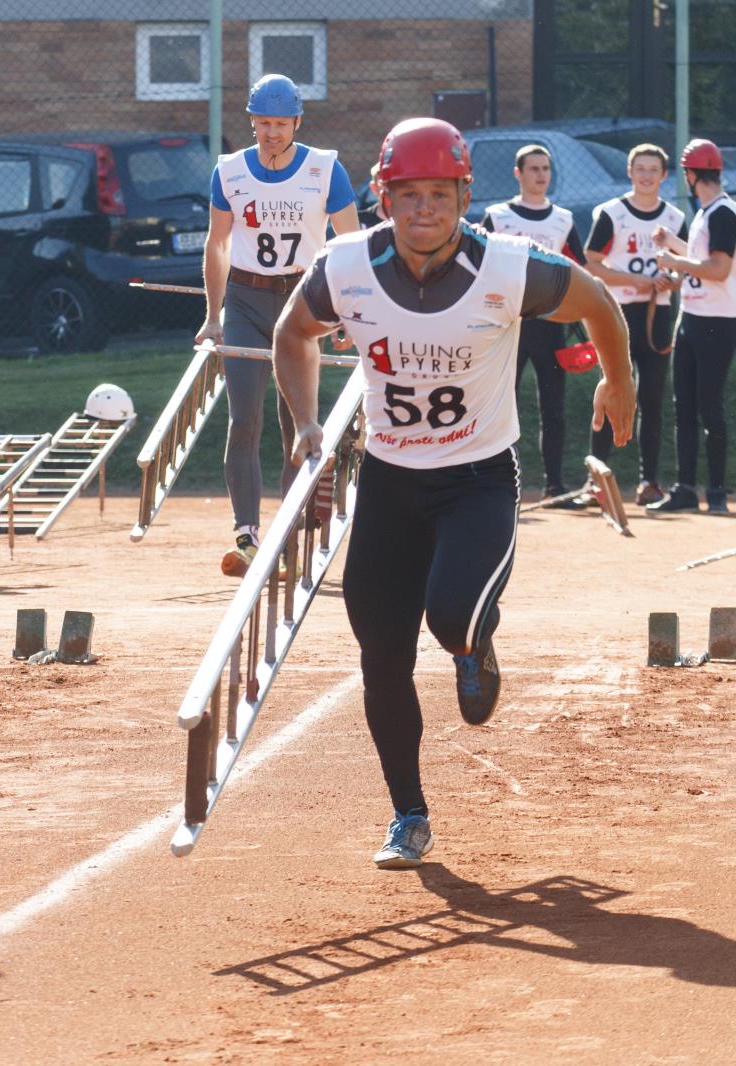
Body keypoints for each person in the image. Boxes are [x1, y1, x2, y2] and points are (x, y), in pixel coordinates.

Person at [273, 118, 633, 870]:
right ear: (384, 199)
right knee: (381, 656)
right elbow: (291, 332)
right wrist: (306, 424)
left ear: (465, 197)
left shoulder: (507, 265)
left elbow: (599, 300)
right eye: (409, 194)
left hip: (476, 481)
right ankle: (408, 814)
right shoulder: (346, 266)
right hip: (390, 484)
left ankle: (474, 643)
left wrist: (618, 380)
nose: (425, 209)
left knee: (450, 616)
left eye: (440, 194)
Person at [196, 73, 360, 577]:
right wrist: (213, 317)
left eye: (280, 124)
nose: (271, 133)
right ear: (252, 122)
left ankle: (288, 538)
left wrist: (347, 312)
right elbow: (218, 245)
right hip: (246, 302)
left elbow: (349, 243)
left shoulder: (324, 169)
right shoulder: (229, 171)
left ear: (297, 123)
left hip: (302, 305)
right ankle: (247, 536)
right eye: (263, 123)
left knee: (297, 423)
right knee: (244, 418)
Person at [481, 145, 587, 503]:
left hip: (549, 323)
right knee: (500, 406)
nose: (541, 175)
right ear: (518, 173)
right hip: (507, 325)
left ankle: (554, 485)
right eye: (534, 169)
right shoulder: (497, 217)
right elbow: (479, 267)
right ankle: (499, 484)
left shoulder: (563, 220)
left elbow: (579, 271)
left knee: (553, 408)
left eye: (546, 169)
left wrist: (576, 313)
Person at [583, 144, 687, 506]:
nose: (646, 175)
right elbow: (591, 263)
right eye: (640, 168)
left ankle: (649, 482)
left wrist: (671, 281)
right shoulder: (612, 213)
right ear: (630, 172)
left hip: (656, 317)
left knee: (652, 399)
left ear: (664, 175)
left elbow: (686, 265)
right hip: (617, 314)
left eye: (653, 170)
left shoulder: (673, 217)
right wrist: (635, 279)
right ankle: (595, 481)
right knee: (611, 390)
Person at [649, 138, 736, 515]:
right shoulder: (706, 212)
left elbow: (718, 269)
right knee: (684, 407)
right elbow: (700, 259)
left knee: (708, 406)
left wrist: (673, 261)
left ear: (690, 174)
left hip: (717, 322)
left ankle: (716, 492)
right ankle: (686, 489)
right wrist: (673, 244)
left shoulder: (723, 213)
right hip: (691, 318)